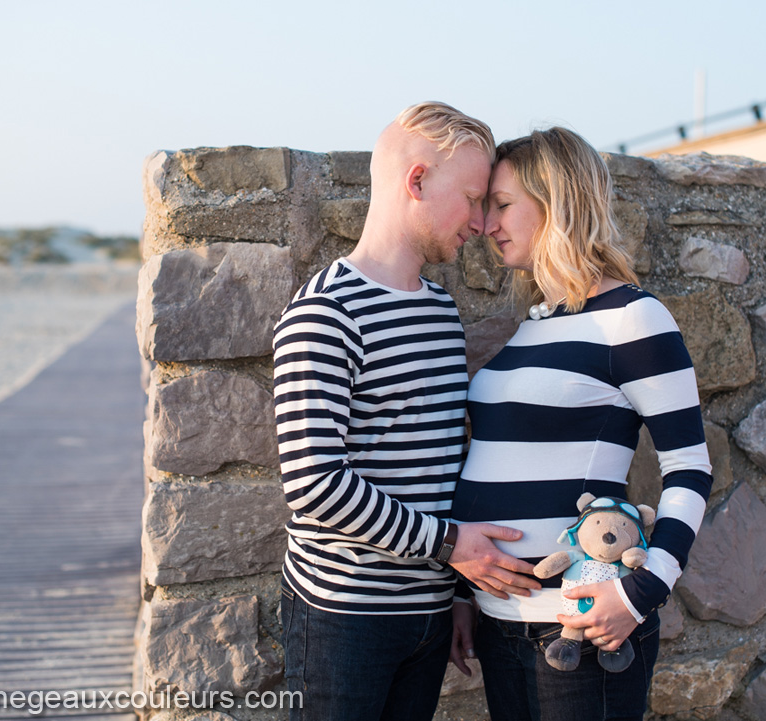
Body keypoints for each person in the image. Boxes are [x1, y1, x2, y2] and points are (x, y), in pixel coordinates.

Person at [272, 102, 540, 721]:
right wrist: (452, 548)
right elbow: (313, 486)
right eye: (473, 198)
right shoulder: (325, 314)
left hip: (428, 614)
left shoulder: (442, 312)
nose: (479, 222)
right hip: (344, 617)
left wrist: (455, 595)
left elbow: (444, 461)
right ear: (416, 181)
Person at [450, 127, 713, 720]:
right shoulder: (534, 323)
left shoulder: (634, 319)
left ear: (559, 202)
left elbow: (690, 468)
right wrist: (467, 596)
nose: (487, 224)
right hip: (502, 624)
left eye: (503, 204)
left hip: (582, 629)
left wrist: (643, 591)